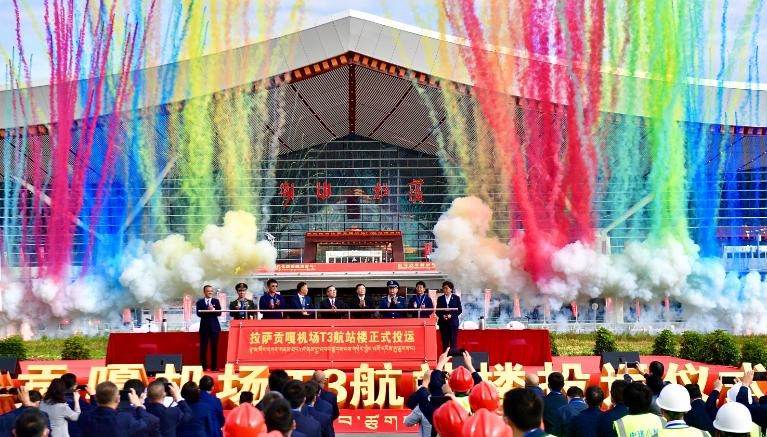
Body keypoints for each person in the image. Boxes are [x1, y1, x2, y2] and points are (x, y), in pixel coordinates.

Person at [77, 381, 156, 436]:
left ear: (96, 398)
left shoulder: (84, 416)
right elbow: (148, 422)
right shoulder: (124, 419)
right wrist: (139, 406)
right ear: (118, 399)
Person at [196, 285, 222, 371]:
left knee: (214, 348)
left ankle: (214, 367)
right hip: (204, 328)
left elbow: (219, 313)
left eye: (211, 291)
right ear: (204, 292)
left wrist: (213, 310)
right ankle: (203, 367)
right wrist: (207, 309)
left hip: (214, 328)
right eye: (208, 291)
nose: (210, 292)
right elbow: (199, 314)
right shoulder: (199, 302)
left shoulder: (216, 301)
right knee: (203, 348)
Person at [435, 281, 462, 353]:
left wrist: (451, 315)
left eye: (446, 288)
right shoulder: (440, 298)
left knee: (453, 342)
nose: (445, 290)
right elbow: (437, 311)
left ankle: (453, 360)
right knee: (445, 342)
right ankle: (445, 360)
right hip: (443, 323)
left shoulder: (456, 298)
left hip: (453, 323)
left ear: (451, 289)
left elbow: (459, 310)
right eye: (443, 288)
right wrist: (442, 316)